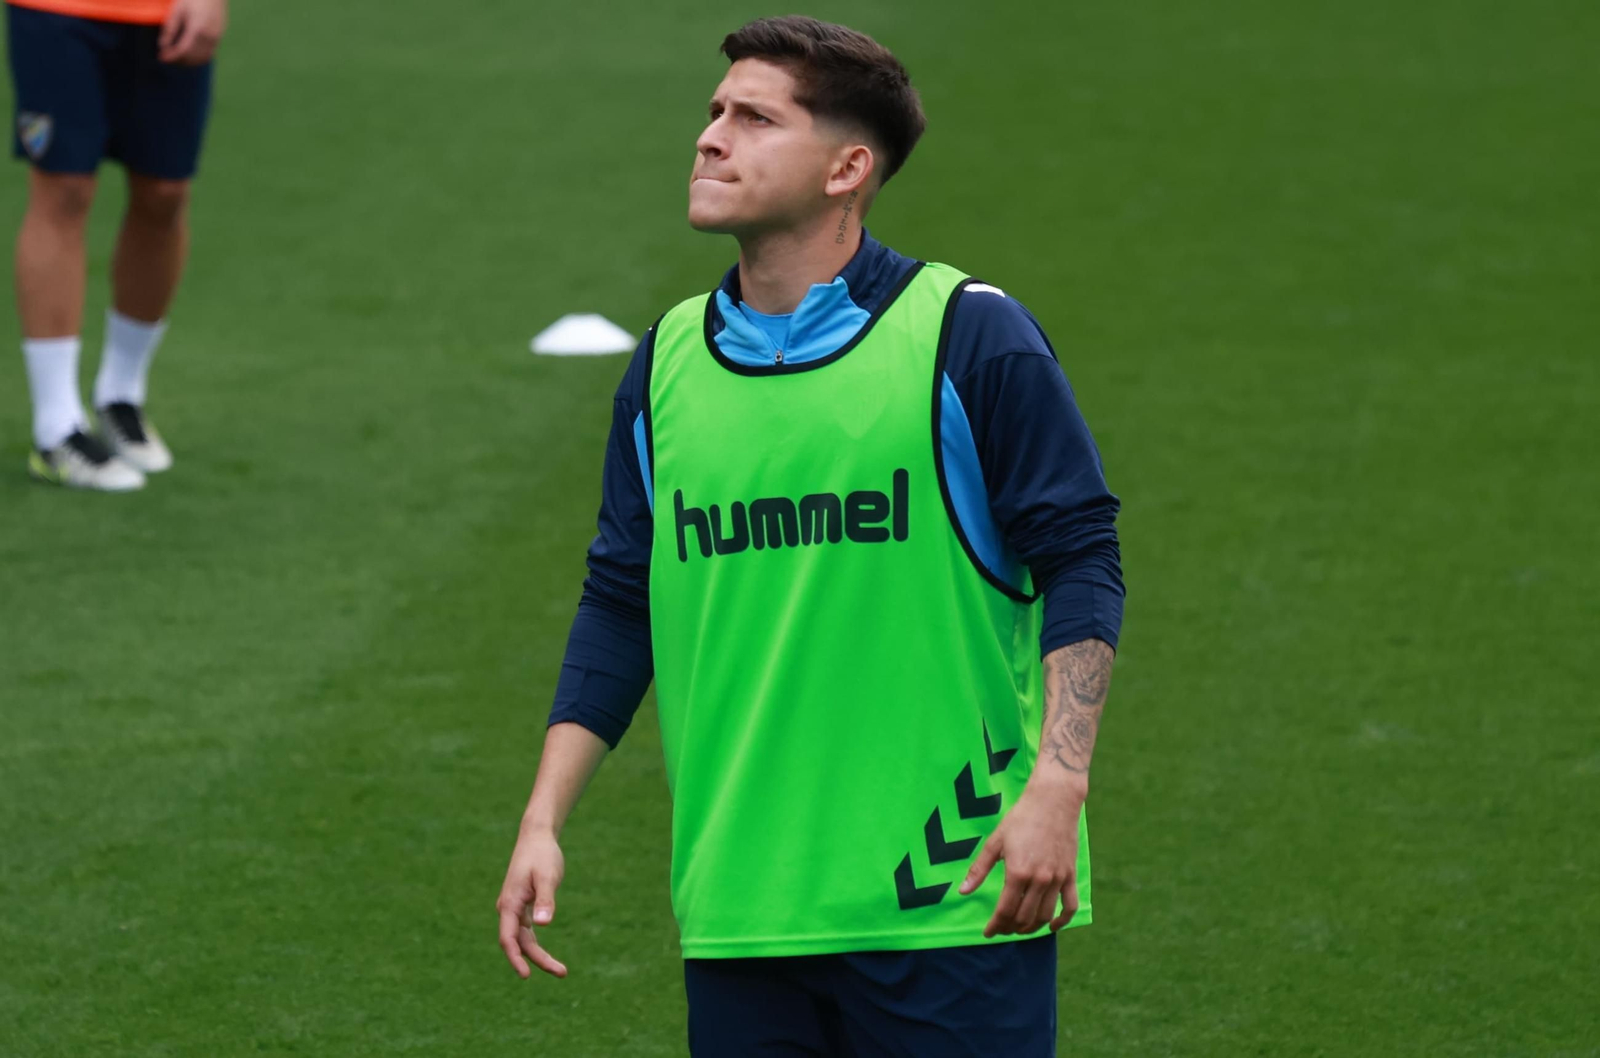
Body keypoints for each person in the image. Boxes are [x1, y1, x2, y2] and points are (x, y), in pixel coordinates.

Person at [496, 16, 1125, 1056]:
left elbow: (1080, 555)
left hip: (949, 903)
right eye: (712, 113)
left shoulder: (966, 336)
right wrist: (541, 818)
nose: (710, 137)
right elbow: (620, 600)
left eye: (753, 117)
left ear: (847, 167)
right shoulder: (665, 370)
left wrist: (1058, 784)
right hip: (742, 910)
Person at [8, 0, 226, 490]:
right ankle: (57, 426)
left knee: (165, 192)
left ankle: (121, 394)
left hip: (164, 14)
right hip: (54, 11)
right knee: (63, 187)